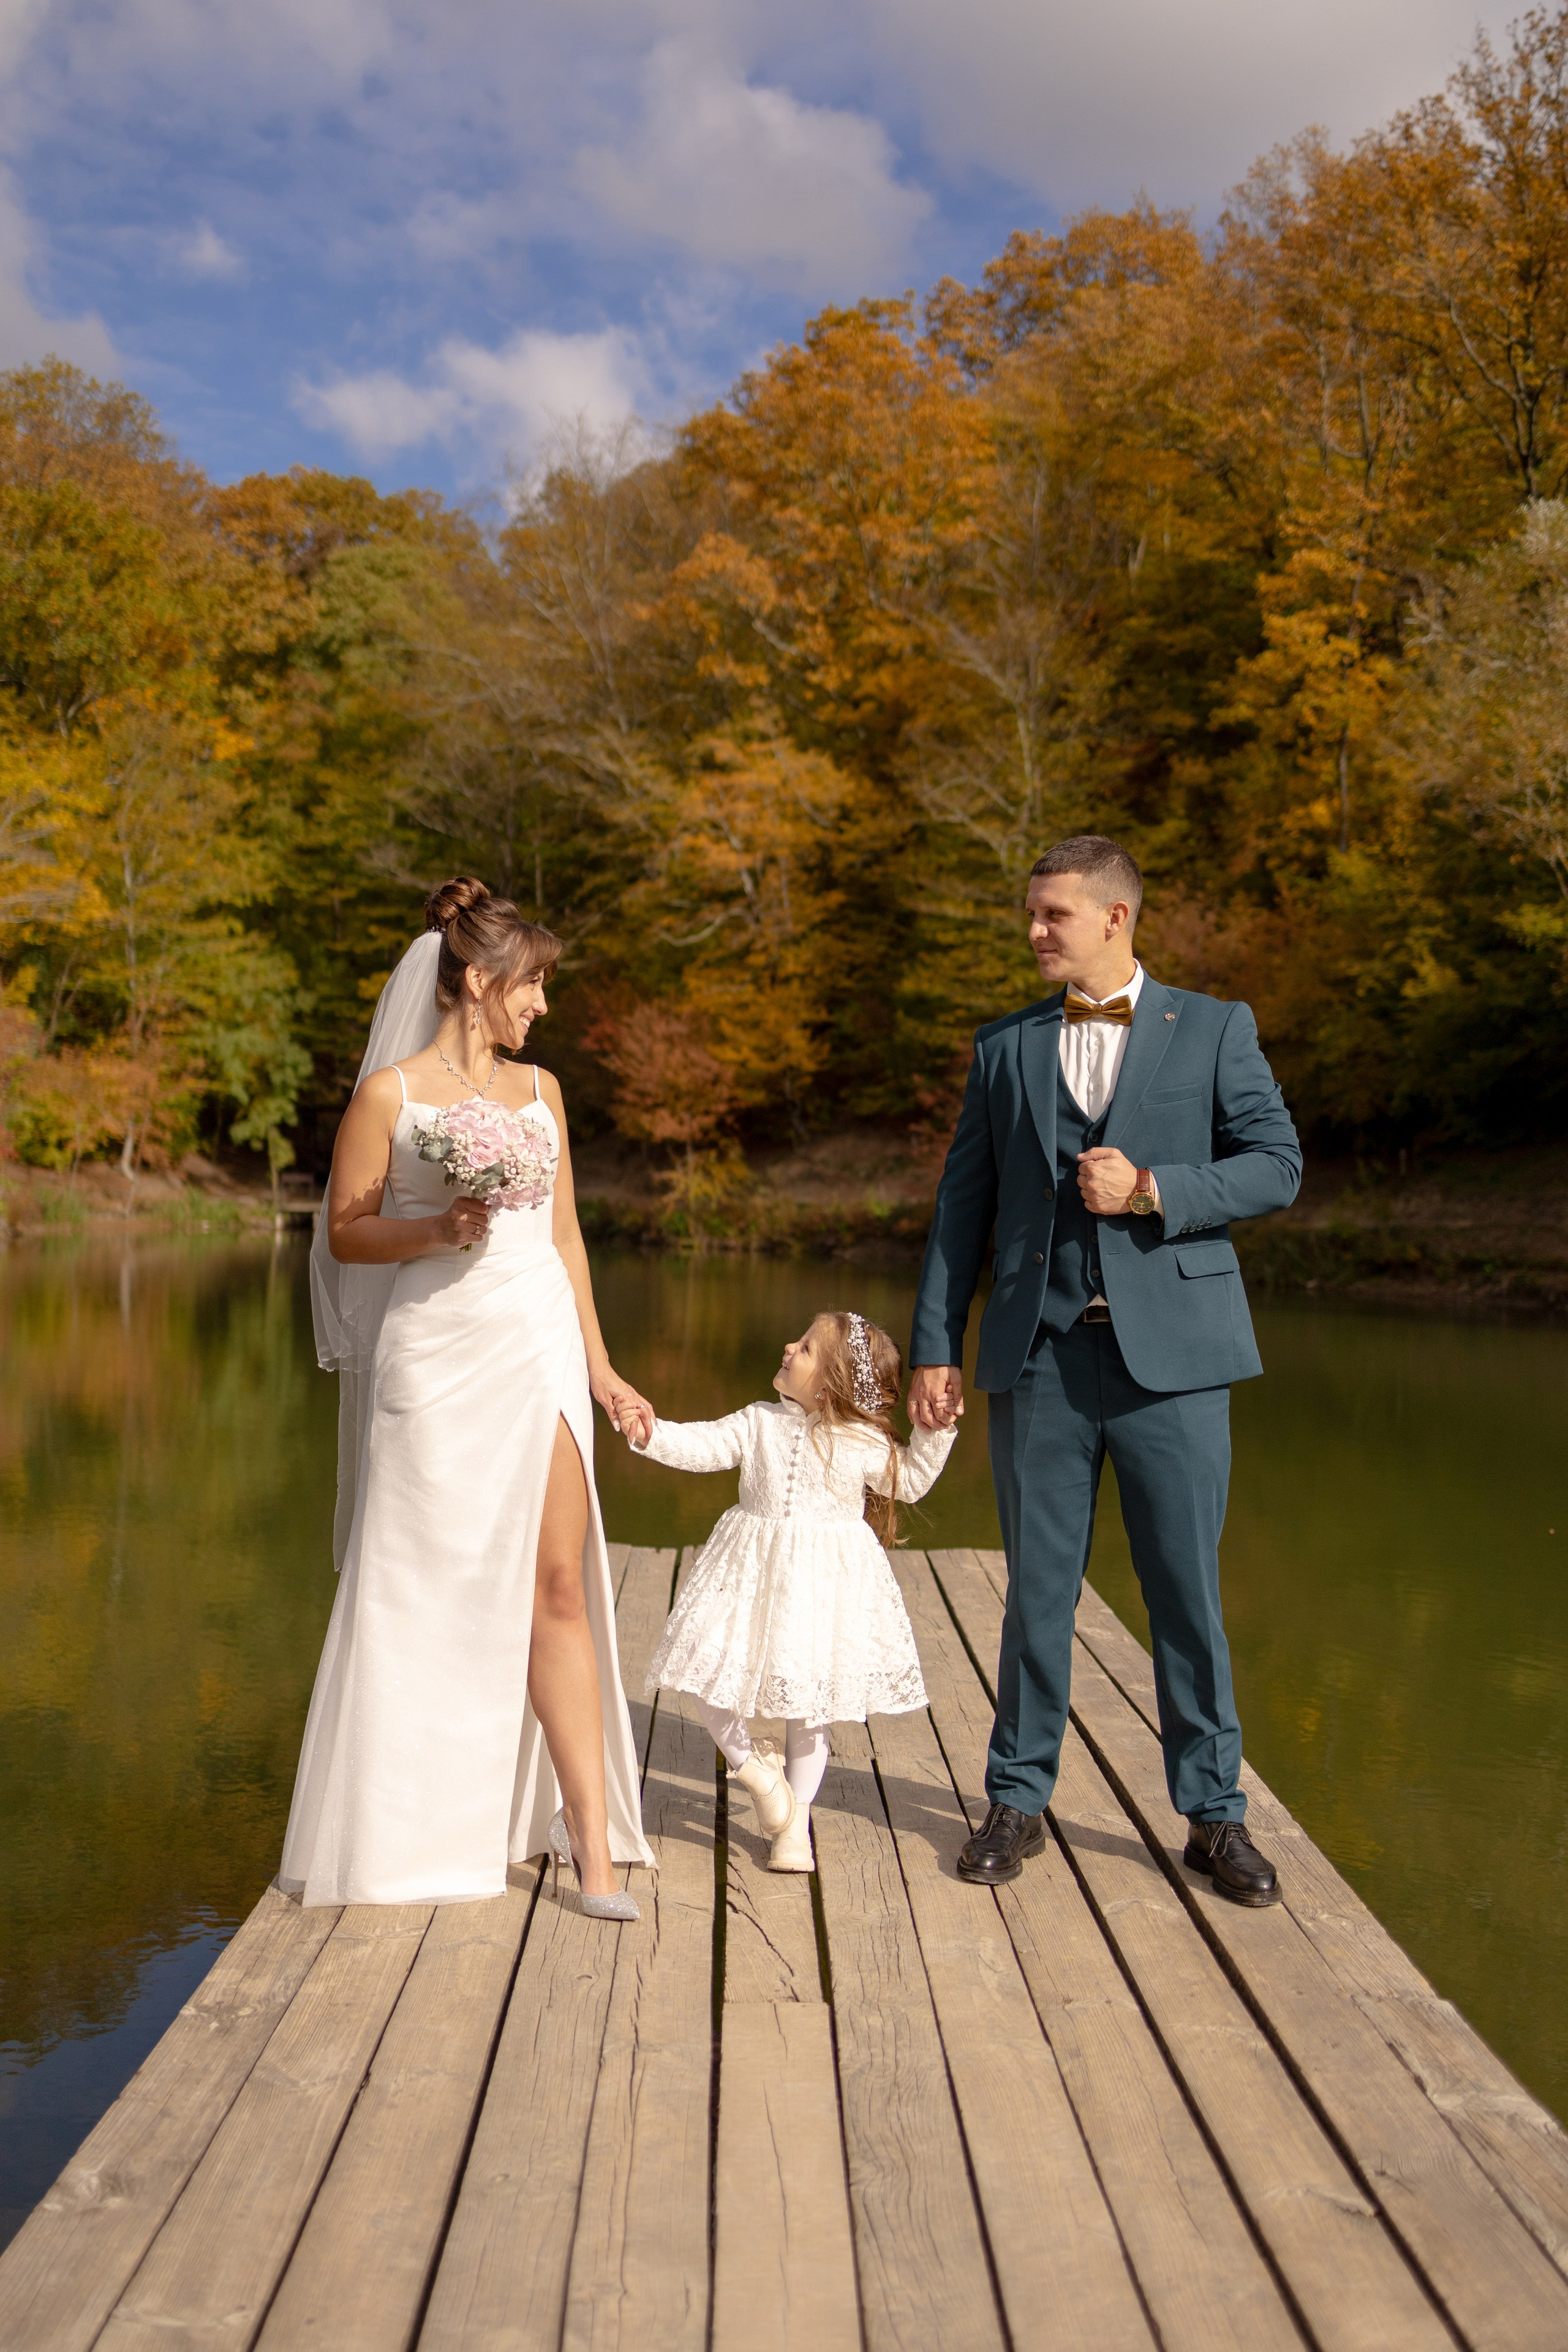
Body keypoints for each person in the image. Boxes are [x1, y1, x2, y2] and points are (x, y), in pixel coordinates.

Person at [908, 836, 1302, 1904]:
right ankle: (1016, 1800)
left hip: (1175, 1362)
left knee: (1185, 1592)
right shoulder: (1005, 1047)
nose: (1035, 932)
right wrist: (936, 1346)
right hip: (1039, 1358)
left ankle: (1213, 1818)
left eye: (1054, 917)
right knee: (1036, 1595)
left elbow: (1278, 1166)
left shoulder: (1214, 1029)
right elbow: (961, 1213)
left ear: (1115, 917)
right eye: (1032, 915)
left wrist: (1153, 1190)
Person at [281, 876, 657, 1919]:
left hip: (535, 1340)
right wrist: (438, 1229)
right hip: (434, 1353)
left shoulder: (543, 1094)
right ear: (480, 982)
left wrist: (603, 1367)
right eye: (534, 986)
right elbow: (348, 1234)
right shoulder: (390, 1096)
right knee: (421, 1586)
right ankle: (409, 1833)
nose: (545, 1007)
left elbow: (567, 1236)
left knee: (562, 1587)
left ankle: (592, 1853)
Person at [624, 1313, 956, 1869]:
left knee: (808, 1705)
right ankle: (756, 1773)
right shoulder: (758, 1422)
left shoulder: (860, 1440)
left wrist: (936, 1429)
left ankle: (793, 1824)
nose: (787, 1347)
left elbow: (913, 1480)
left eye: (803, 1348)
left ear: (829, 1384)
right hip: (748, 1576)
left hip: (822, 1590)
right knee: (704, 1670)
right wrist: (649, 1433)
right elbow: (703, 1445)